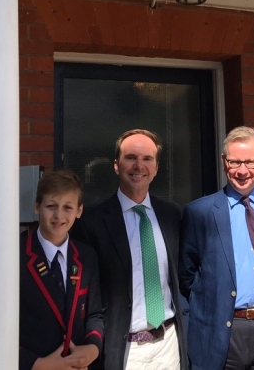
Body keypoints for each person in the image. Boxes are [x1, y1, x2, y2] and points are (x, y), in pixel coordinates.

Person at [180, 126, 254, 370]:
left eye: (250, 162)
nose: (242, 171)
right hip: (221, 333)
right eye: (235, 162)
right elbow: (187, 275)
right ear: (224, 162)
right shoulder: (199, 212)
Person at [75, 129, 187, 370]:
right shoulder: (92, 224)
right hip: (124, 351)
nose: (139, 166)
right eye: (130, 158)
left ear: (156, 168)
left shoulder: (172, 215)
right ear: (116, 165)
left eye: (147, 159)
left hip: (169, 345)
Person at [20, 170, 104, 370]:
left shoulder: (86, 257)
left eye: (68, 207)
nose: (59, 216)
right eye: (51, 206)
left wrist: (93, 348)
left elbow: (95, 314)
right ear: (37, 207)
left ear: (79, 211)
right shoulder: (15, 256)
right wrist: (38, 364)